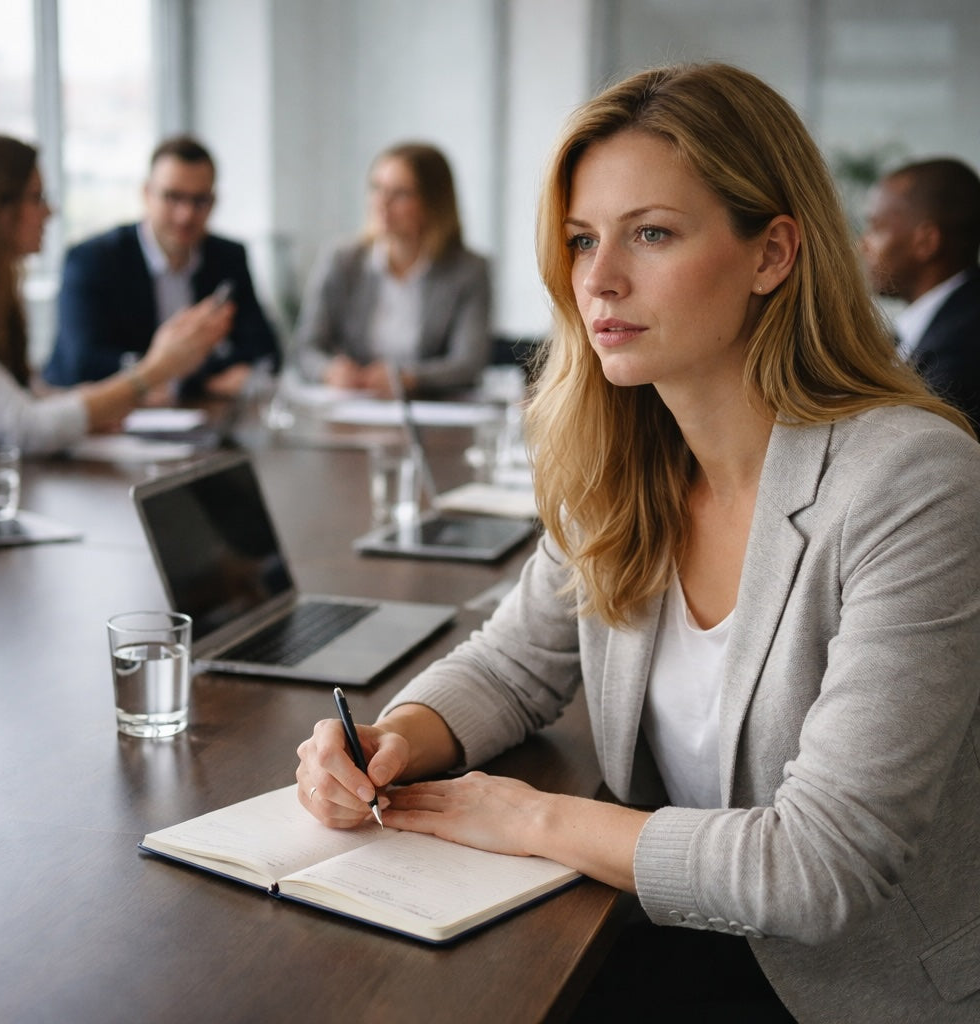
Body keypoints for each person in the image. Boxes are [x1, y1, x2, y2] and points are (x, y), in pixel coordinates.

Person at [295, 62, 980, 1022]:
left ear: (772, 254)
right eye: (581, 240)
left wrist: (532, 818)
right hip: (676, 934)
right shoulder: (622, 458)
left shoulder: (910, 480)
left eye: (651, 233)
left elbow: (821, 867)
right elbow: (513, 665)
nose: (598, 279)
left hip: (856, 987)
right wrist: (392, 739)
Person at [0, 130, 232, 456]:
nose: (50, 212)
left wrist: (94, 410)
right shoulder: (92, 258)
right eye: (37, 197)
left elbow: (26, 398)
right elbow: (26, 426)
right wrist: (156, 369)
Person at [43, 134, 279, 399]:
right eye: (173, 197)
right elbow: (82, 361)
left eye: (199, 201)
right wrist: (185, 372)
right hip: (100, 424)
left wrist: (170, 376)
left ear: (213, 202)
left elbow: (264, 351)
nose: (185, 215)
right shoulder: (93, 259)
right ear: (147, 194)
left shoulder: (228, 257)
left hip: (192, 420)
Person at [292, 141, 491, 398]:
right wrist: (329, 370)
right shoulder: (342, 260)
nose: (381, 203)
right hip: (352, 410)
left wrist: (407, 378)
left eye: (400, 193)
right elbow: (304, 348)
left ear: (433, 202)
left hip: (431, 415)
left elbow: (468, 364)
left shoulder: (468, 271)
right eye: (376, 189)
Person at [860, 157, 980, 430]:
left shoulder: (964, 349)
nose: (862, 245)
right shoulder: (924, 330)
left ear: (926, 242)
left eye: (876, 227)